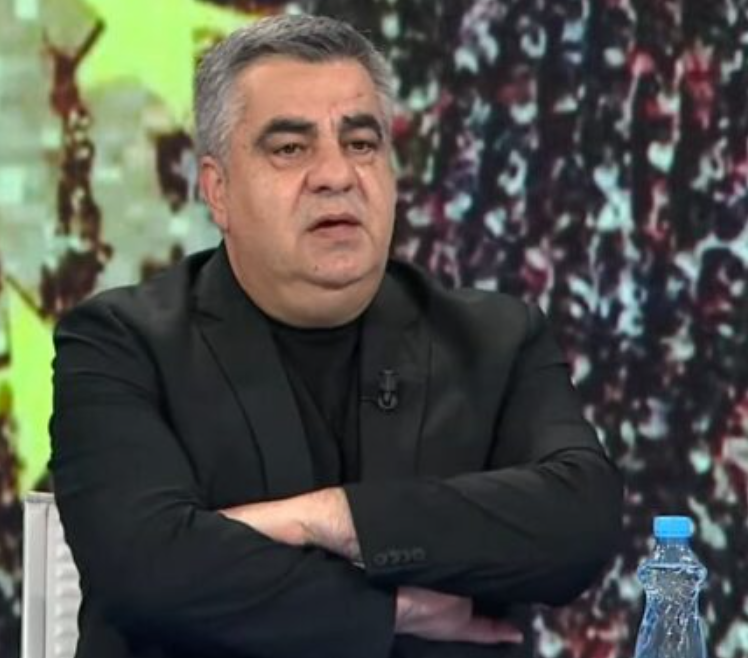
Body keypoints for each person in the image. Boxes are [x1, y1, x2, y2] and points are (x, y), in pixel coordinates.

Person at [49, 14, 623, 658]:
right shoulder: (120, 345)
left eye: (361, 143)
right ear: (218, 190)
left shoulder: (496, 340)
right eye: (290, 148)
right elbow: (146, 570)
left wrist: (328, 519)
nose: (336, 174)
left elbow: (581, 521)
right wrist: (395, 609)